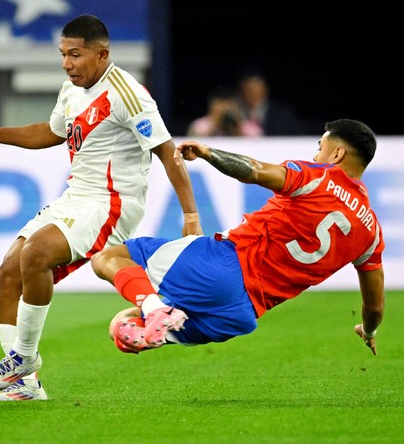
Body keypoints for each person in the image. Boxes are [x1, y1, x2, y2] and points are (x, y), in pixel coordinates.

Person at [0, 14, 202, 401]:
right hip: (75, 198)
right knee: (6, 275)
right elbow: (51, 133)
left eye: (76, 55)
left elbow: (168, 153)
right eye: (63, 54)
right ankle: (26, 386)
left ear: (102, 54)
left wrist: (190, 217)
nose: (67, 64)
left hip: (112, 202)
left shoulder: (128, 93)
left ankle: (23, 359)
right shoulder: (70, 90)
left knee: (34, 255)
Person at [91, 119, 385, 357]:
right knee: (124, 324)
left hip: (222, 265)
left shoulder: (319, 176)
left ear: (337, 154)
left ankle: (156, 309)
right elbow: (374, 307)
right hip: (239, 315)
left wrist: (208, 153)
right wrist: (368, 331)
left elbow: (254, 171)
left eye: (320, 148)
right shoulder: (370, 234)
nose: (315, 156)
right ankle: (150, 317)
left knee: (107, 258)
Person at [236, 68, 310, 136]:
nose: (252, 95)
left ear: (265, 90)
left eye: (255, 90)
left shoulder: (283, 115)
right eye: (248, 90)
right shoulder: (234, 112)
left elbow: (299, 138)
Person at [186, 85, 263, 137]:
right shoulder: (198, 125)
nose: (224, 111)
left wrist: (237, 127)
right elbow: (192, 141)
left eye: (228, 107)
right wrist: (215, 124)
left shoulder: (249, 125)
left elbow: (260, 142)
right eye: (220, 107)